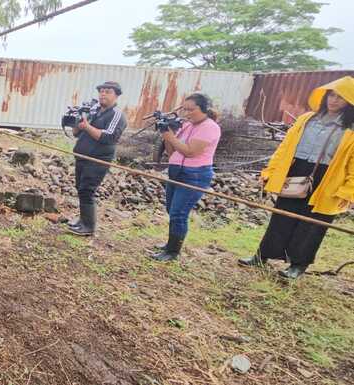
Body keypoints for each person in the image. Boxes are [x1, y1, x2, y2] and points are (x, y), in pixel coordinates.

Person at [238, 77, 354, 279]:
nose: (334, 101)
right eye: (332, 95)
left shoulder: (350, 130)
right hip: (296, 171)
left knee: (313, 224)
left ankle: (298, 266)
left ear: (349, 102)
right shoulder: (307, 119)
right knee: (282, 216)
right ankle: (262, 256)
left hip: (327, 178)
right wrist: (271, 172)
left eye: (341, 98)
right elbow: (285, 148)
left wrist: (347, 191)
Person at [151, 94, 221, 261]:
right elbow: (172, 151)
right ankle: (170, 244)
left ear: (204, 109)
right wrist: (167, 135)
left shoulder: (210, 127)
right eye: (185, 109)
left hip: (194, 175)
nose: (187, 113)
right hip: (176, 170)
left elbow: (191, 152)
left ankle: (173, 252)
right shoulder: (187, 126)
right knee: (171, 209)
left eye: (191, 109)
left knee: (179, 213)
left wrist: (171, 138)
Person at [67, 81, 128, 236]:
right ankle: (83, 220)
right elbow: (76, 133)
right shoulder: (93, 110)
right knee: (80, 189)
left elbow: (109, 137)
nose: (103, 94)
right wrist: (76, 122)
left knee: (87, 190)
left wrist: (87, 126)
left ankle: (89, 226)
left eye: (108, 91)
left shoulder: (117, 115)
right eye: (101, 91)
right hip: (82, 155)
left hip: (98, 159)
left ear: (116, 95)